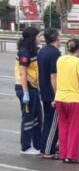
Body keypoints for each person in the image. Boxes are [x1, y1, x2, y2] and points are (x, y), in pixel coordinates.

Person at [55, 38, 79, 164]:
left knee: (63, 127)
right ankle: (71, 155)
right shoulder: (78, 61)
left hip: (60, 97)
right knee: (76, 129)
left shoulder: (60, 60)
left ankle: (63, 153)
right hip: (75, 99)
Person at [15, 26, 42, 155]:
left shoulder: (34, 50)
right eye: (38, 36)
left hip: (34, 88)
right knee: (28, 118)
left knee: (37, 118)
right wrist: (25, 92)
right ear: (32, 38)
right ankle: (25, 147)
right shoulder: (24, 52)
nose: (40, 38)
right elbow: (23, 73)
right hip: (25, 88)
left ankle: (38, 144)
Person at [37, 28, 62, 159]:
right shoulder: (55, 53)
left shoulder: (42, 51)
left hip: (44, 90)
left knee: (47, 121)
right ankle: (48, 151)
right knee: (53, 123)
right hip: (52, 93)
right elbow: (54, 76)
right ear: (56, 38)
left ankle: (45, 147)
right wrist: (57, 94)